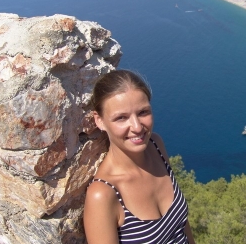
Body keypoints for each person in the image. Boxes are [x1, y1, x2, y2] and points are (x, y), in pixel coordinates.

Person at [83, 69, 195, 244]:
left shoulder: (156, 146)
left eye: (143, 112)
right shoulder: (103, 194)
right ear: (99, 121)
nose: (136, 127)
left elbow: (182, 225)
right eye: (121, 118)